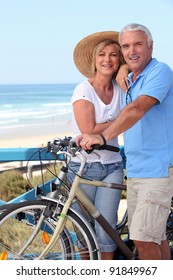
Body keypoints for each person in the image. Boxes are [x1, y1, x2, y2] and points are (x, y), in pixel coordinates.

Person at [76, 23, 173, 260]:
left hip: (158, 169)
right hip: (136, 169)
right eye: (126, 46)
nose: (132, 51)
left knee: (142, 237)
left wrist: (101, 137)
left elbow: (137, 109)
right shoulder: (130, 78)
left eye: (138, 44)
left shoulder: (160, 72)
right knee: (156, 236)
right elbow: (128, 64)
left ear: (151, 45)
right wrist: (122, 68)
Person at [67, 31, 129, 260]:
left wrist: (125, 69)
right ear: (94, 59)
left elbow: (140, 68)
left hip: (112, 165)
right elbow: (88, 129)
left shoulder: (122, 87)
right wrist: (122, 121)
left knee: (107, 227)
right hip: (84, 166)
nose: (108, 59)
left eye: (114, 55)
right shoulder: (83, 90)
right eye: (102, 54)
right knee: (83, 228)